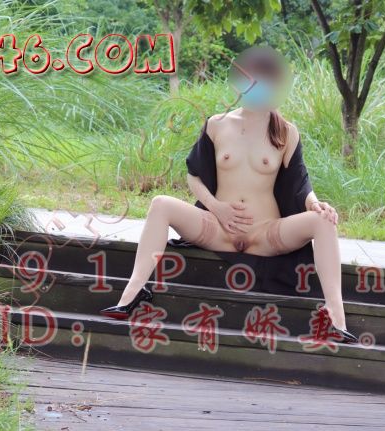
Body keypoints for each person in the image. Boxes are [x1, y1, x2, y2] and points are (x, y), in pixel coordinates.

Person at [99, 45, 357, 343]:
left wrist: (316, 204)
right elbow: (194, 175)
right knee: (160, 204)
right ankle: (132, 293)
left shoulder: (286, 132)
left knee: (324, 221)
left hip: (265, 234)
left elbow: (300, 182)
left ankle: (335, 316)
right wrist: (215, 207)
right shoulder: (217, 124)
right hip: (218, 229)